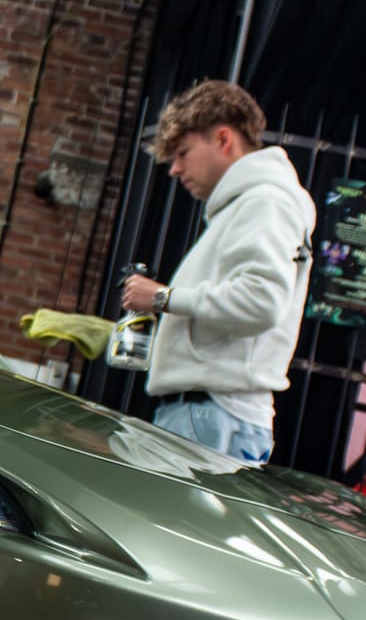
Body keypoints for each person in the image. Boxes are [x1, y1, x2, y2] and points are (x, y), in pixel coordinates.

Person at [119, 80, 315, 465]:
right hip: (213, 415)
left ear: (224, 139)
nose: (175, 169)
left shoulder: (264, 202)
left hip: (212, 415)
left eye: (183, 153)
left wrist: (161, 298)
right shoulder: (258, 202)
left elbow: (261, 301)